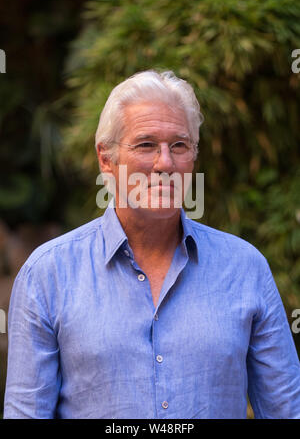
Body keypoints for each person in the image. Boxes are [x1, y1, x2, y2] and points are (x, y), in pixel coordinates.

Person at [4, 70, 300, 419]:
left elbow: (287, 411)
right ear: (106, 160)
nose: (165, 163)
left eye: (179, 145)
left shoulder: (245, 267)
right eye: (146, 145)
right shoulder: (48, 274)